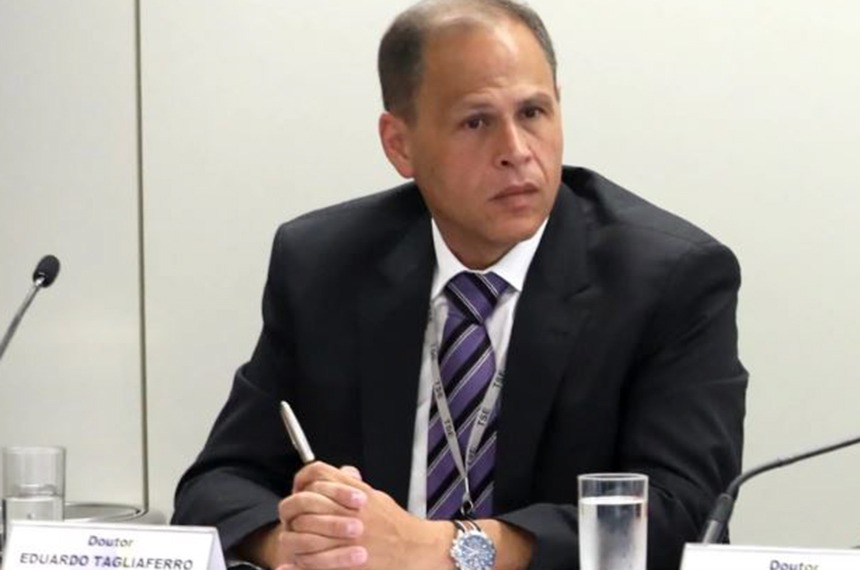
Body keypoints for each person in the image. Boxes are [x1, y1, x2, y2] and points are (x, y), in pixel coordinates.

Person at [171, 0, 747, 569]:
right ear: (400, 144)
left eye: (533, 113)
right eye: (477, 122)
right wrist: (300, 542)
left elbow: (683, 515)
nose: (516, 152)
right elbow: (218, 486)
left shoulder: (669, 279)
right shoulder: (324, 265)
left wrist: (442, 548)